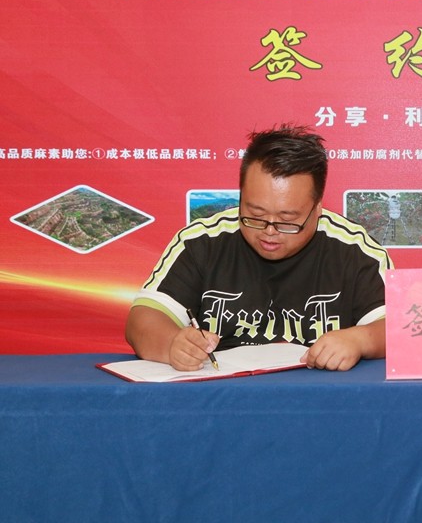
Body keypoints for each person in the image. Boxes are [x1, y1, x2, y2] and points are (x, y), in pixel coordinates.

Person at [126, 124, 392, 372]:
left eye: (288, 220)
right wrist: (173, 344)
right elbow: (144, 319)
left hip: (320, 395)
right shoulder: (202, 242)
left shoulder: (355, 251)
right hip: (223, 392)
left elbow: (400, 328)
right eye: (255, 214)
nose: (269, 231)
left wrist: (360, 340)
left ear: (317, 208)